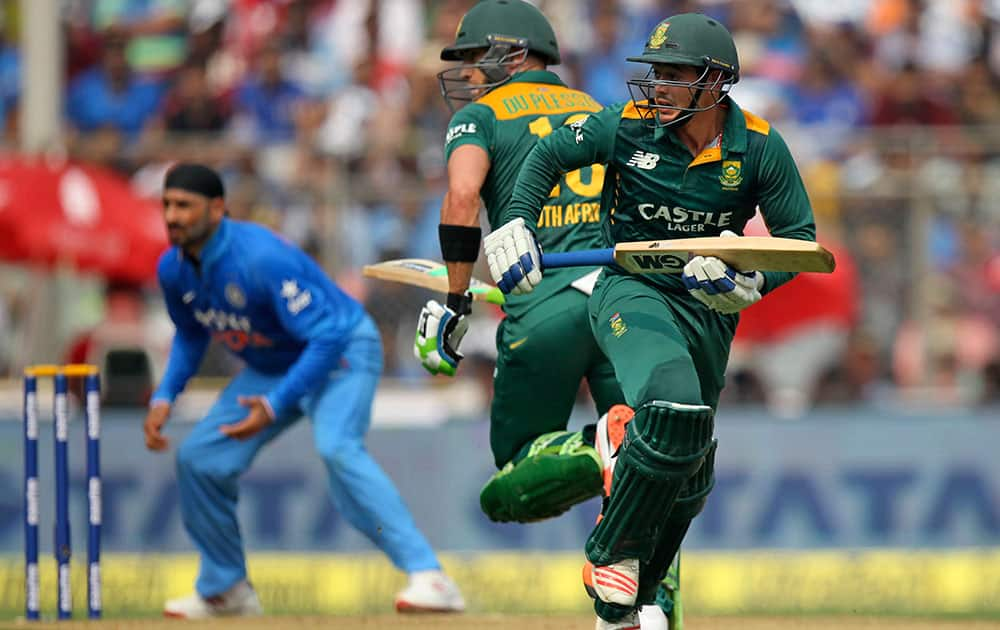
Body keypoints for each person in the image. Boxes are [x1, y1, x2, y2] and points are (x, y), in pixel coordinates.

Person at [485, 13, 818, 630]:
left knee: (693, 466)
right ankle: (610, 557)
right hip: (631, 292)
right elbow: (548, 153)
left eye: (672, 76)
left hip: (709, 312)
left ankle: (632, 602)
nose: (656, 87)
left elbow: (799, 239)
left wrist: (750, 282)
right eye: (654, 74)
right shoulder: (624, 124)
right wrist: (516, 222)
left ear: (715, 82)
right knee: (672, 404)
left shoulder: (762, 146)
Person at [413, 2, 676, 627]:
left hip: (546, 306)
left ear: (510, 54)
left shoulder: (482, 117)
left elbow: (461, 196)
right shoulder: (597, 108)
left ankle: (592, 448)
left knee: (512, 479)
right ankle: (643, 613)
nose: (469, 76)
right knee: (651, 475)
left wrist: (455, 303)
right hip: (626, 304)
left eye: (475, 60)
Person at [143, 163, 464, 618]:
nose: (173, 216)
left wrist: (274, 406)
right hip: (274, 365)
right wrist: (164, 397)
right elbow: (192, 335)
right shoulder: (173, 270)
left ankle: (431, 577)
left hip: (341, 353)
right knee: (199, 459)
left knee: (337, 448)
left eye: (184, 206)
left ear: (217, 208)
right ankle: (225, 588)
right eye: (167, 205)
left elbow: (327, 338)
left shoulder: (260, 258)